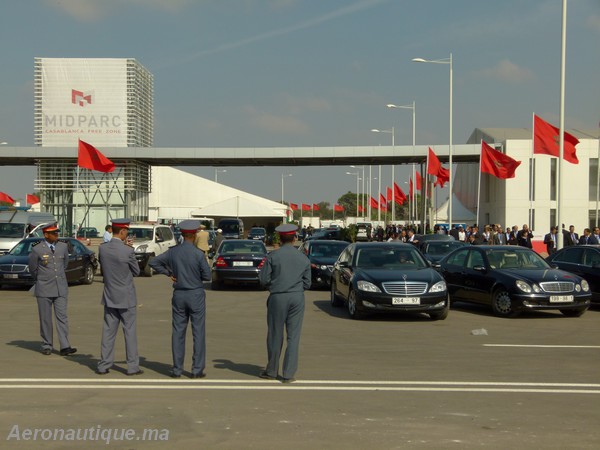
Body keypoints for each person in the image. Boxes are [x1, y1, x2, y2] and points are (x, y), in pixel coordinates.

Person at [150, 220, 212, 379]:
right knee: (198, 332)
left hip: (179, 294)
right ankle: (197, 370)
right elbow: (207, 276)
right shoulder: (198, 254)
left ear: (183, 234)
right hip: (195, 293)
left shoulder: (173, 252)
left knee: (178, 332)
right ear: (195, 234)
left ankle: (177, 369)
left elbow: (153, 262)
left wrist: (169, 273)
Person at [258, 224, 311, 383]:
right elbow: (308, 283)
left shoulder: (273, 256)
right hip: (297, 297)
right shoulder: (303, 258)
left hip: (278, 296)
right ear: (295, 238)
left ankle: (272, 370)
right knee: (294, 336)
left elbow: (263, 279)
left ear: (280, 239)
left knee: (275, 334)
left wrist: (275, 286)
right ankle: (288, 374)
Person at [96, 218, 142, 376]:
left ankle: (104, 364)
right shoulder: (127, 251)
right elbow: (136, 271)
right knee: (129, 333)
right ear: (122, 231)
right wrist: (129, 249)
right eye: (126, 231)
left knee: (108, 332)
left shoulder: (103, 248)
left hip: (110, 295)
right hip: (126, 297)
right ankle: (132, 366)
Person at [28, 223, 77, 356]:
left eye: (57, 232)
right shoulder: (37, 249)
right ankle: (47, 344)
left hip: (60, 287)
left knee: (62, 317)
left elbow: (65, 264)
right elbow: (33, 268)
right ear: (46, 235)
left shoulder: (62, 246)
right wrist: (42, 279)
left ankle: (65, 346)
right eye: (54, 233)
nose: (57, 235)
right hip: (44, 288)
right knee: (45, 318)